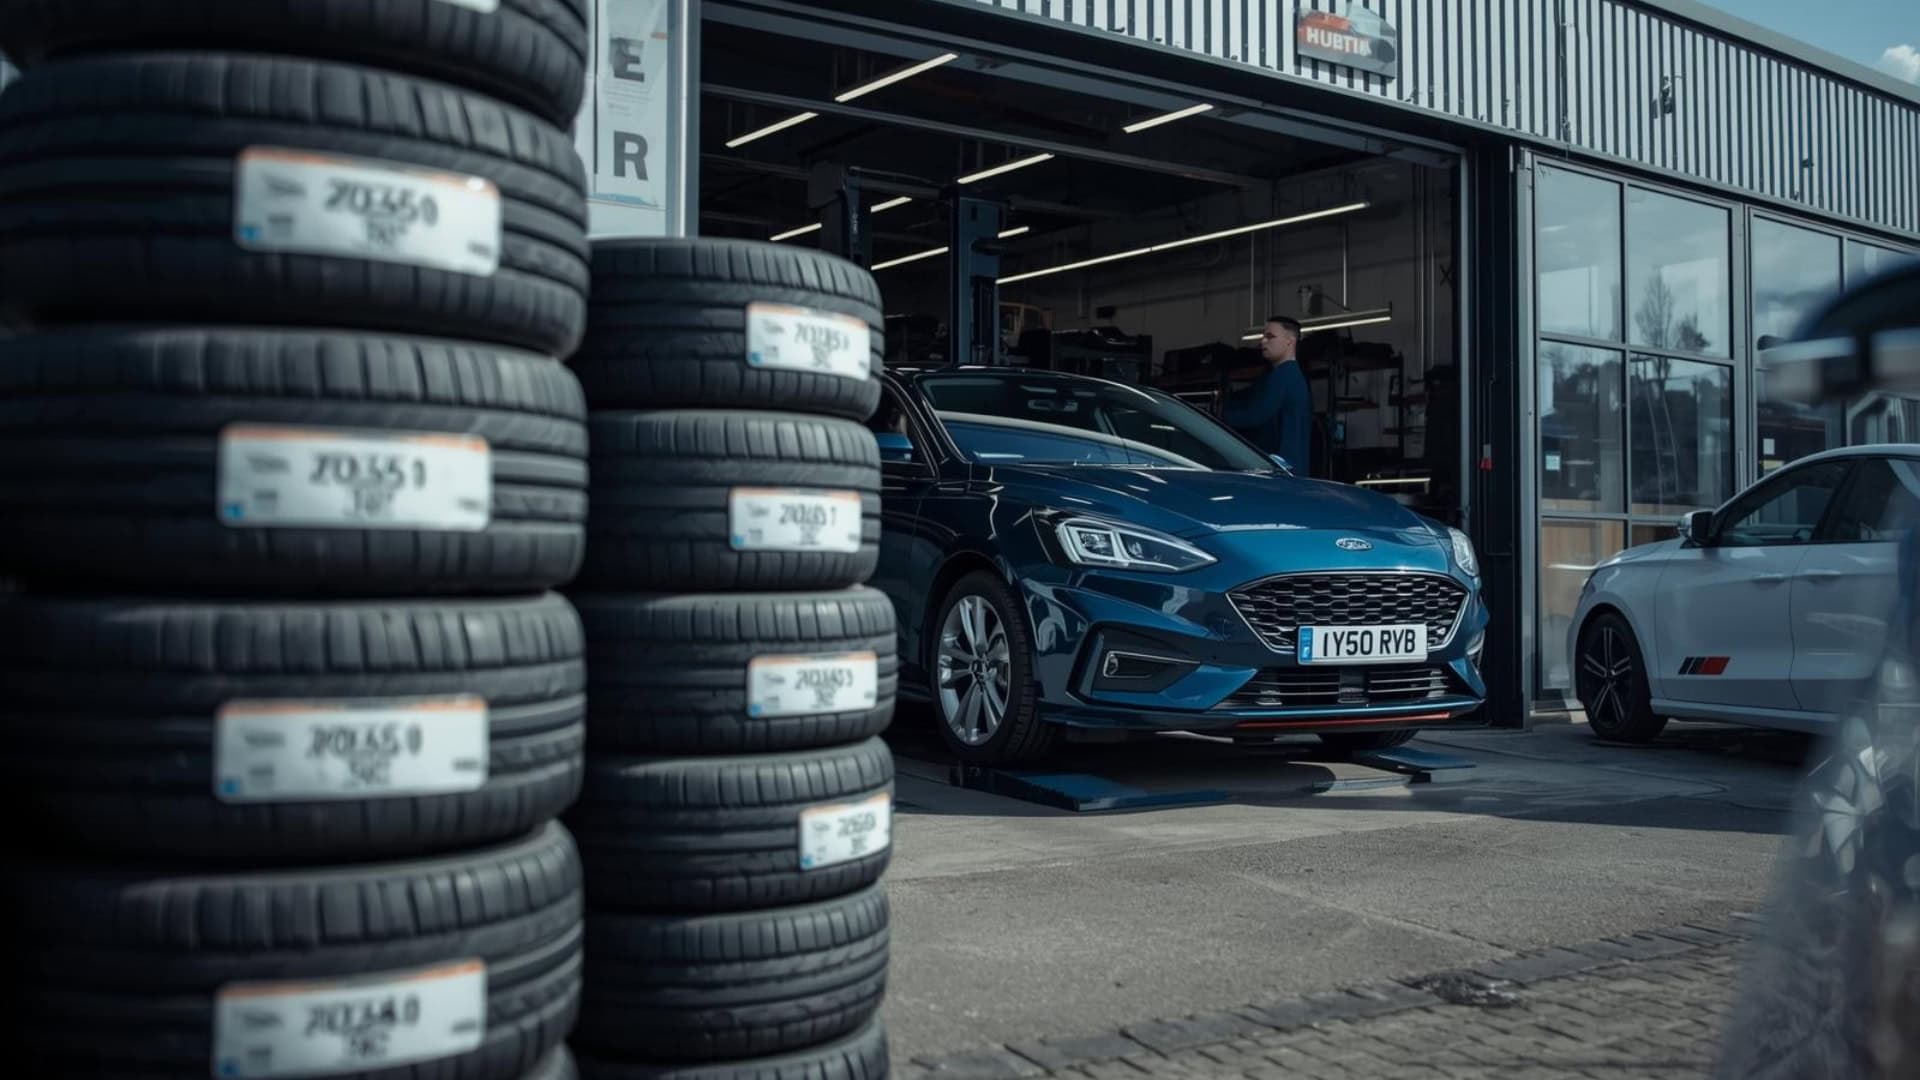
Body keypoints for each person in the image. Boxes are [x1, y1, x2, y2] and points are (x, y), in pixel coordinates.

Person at [1222, 315, 1312, 473]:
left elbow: (1255, 416)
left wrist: (1216, 418)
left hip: (1282, 472)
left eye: (1270, 336)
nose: (1263, 341)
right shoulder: (1291, 376)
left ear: (1289, 341)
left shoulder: (1283, 376)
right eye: (1263, 336)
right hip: (1292, 469)